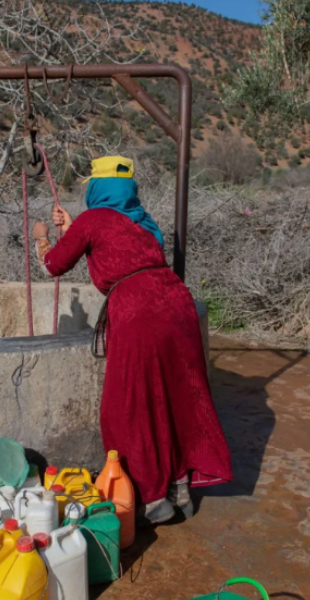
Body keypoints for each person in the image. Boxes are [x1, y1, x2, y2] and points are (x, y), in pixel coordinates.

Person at [32, 156, 232, 524]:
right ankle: (180, 487)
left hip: (139, 312)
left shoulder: (94, 220)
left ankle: (151, 499)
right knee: (175, 397)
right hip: (177, 304)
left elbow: (54, 265)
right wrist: (75, 227)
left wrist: (43, 238)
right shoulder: (142, 222)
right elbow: (113, 243)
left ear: (97, 188)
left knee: (130, 405)